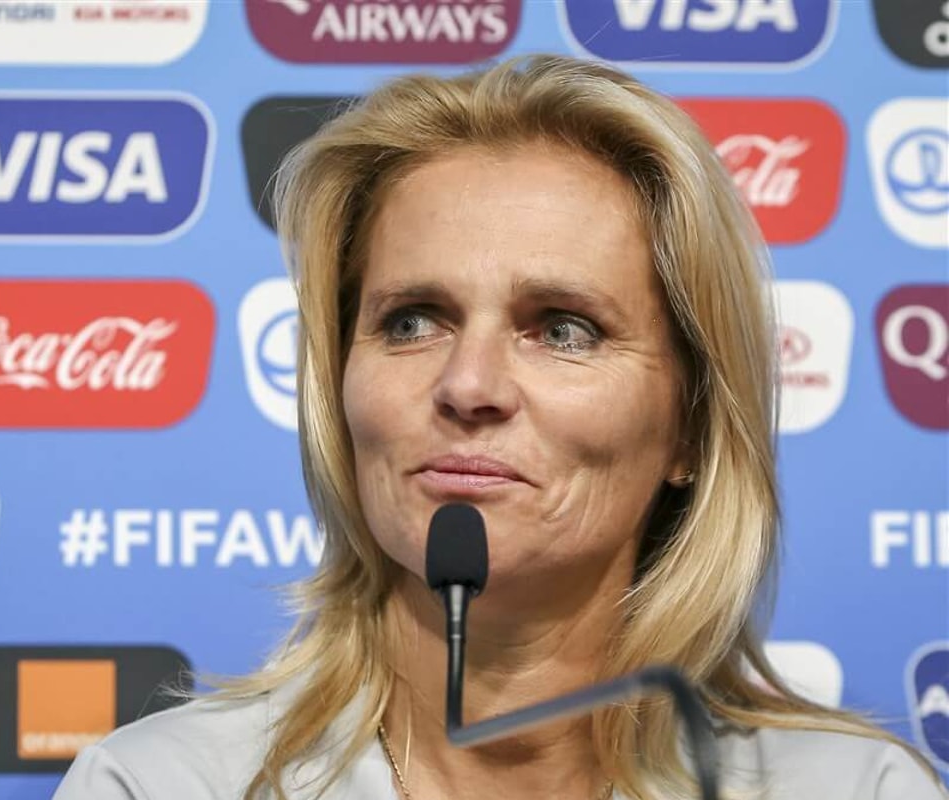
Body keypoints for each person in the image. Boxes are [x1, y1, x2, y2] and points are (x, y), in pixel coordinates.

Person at [53, 54, 948, 800]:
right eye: (412, 321)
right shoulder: (158, 785)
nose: (468, 385)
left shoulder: (859, 790)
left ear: (690, 426)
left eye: (564, 329)